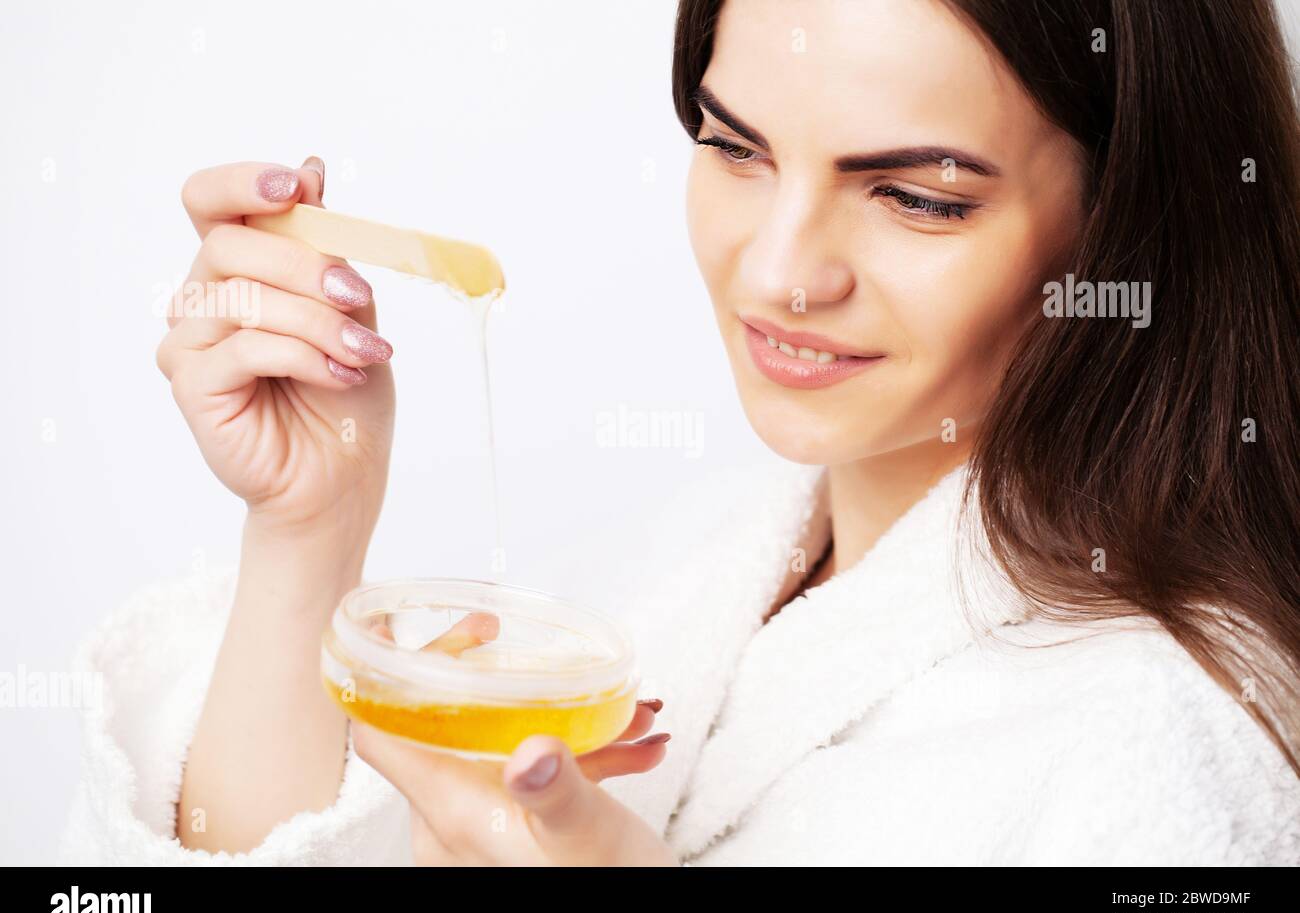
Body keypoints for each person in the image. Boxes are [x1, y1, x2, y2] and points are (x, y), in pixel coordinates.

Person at [60, 0, 1300, 865]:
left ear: (1125, 219)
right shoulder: (692, 579)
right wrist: (308, 527)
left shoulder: (1177, 748)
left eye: (915, 196)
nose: (776, 272)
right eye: (733, 147)